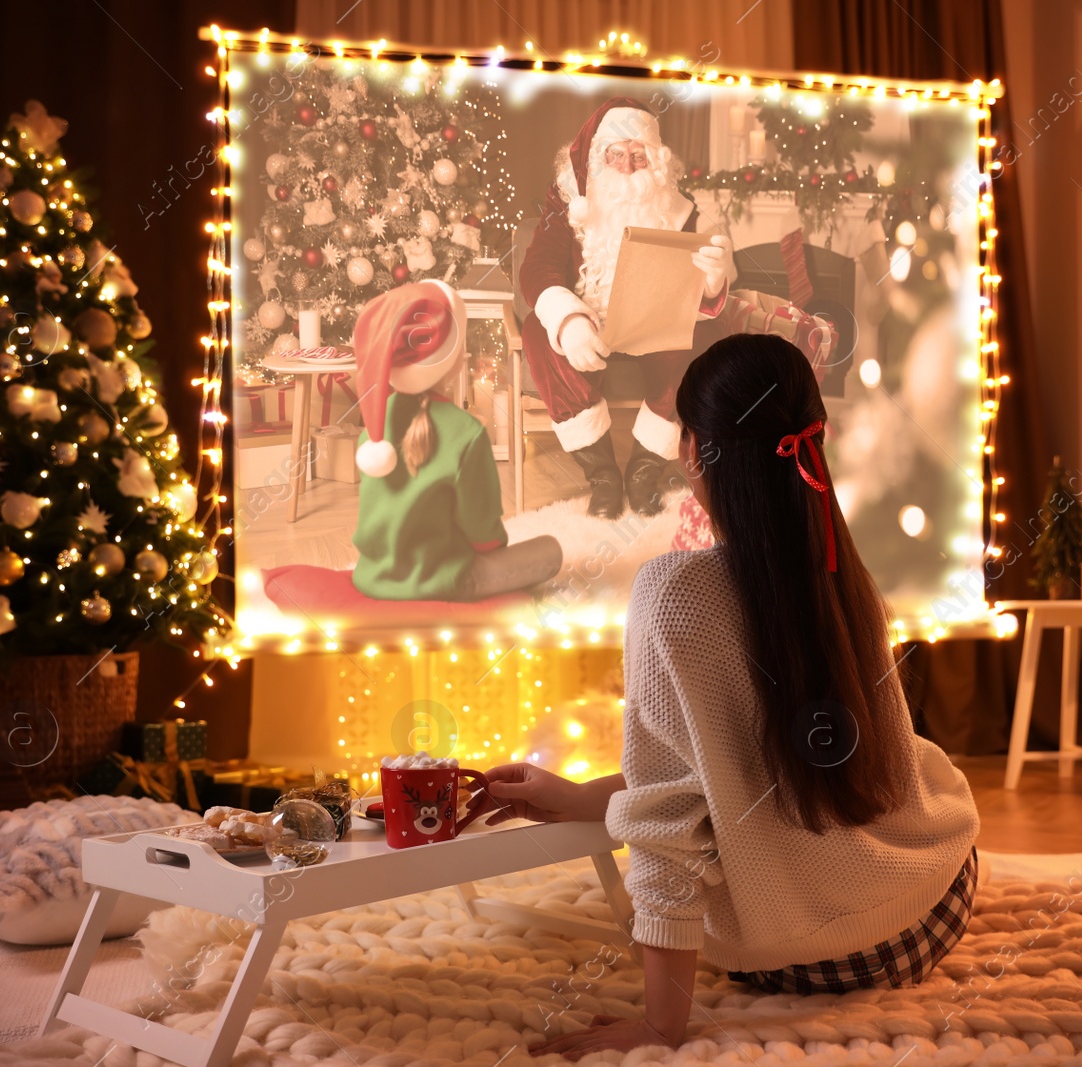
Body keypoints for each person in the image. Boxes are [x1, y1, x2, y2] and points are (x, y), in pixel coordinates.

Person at [466, 333, 981, 1058]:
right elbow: (731, 770)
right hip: (939, 894)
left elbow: (672, 822)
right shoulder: (845, 569)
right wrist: (586, 799)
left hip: (819, 961)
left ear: (692, 450)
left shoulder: (673, 594)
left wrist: (658, 1027)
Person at [520, 96, 735, 519]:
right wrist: (568, 320)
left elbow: (705, 282)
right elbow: (537, 268)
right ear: (598, 157)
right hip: (589, 325)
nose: (627, 165)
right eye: (615, 154)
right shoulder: (567, 201)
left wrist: (713, 280)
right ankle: (602, 475)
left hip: (656, 328)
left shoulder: (680, 207)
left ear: (655, 159)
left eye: (638, 155)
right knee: (536, 330)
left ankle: (643, 469)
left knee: (712, 339)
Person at [350, 280, 561, 601]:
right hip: (440, 581)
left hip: (371, 576)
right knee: (550, 552)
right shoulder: (466, 431)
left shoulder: (374, 422)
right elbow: (484, 534)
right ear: (455, 359)